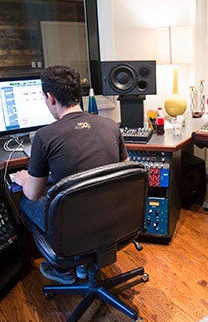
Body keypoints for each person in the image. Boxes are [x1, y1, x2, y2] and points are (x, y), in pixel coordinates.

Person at [12, 65, 128, 285]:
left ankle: (64, 266)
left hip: (76, 226)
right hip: (113, 219)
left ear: (50, 97)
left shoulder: (44, 137)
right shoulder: (110, 125)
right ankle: (84, 261)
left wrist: (22, 178)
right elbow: (125, 173)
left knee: (25, 204)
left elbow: (34, 194)